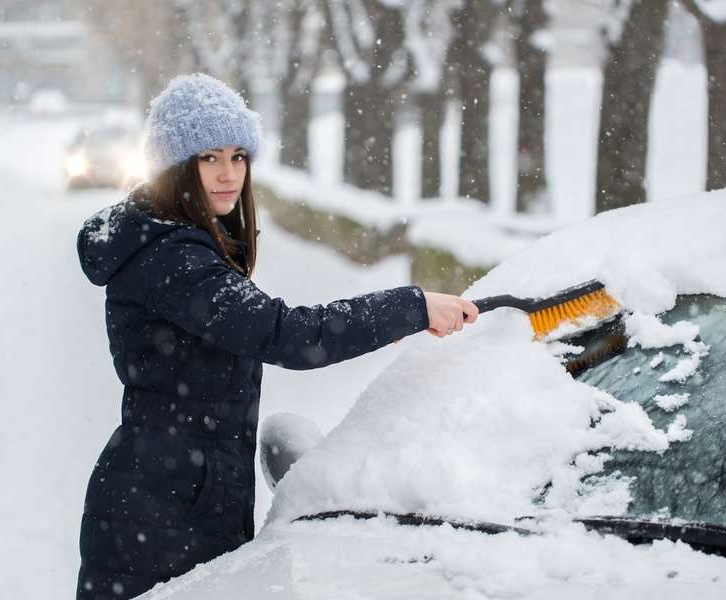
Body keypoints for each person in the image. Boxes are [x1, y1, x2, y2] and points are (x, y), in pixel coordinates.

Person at [74, 73, 478, 599]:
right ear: (176, 166)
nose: (228, 174)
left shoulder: (183, 243)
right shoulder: (173, 260)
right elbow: (286, 334)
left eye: (238, 156)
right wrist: (410, 307)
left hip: (184, 499)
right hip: (156, 518)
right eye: (208, 157)